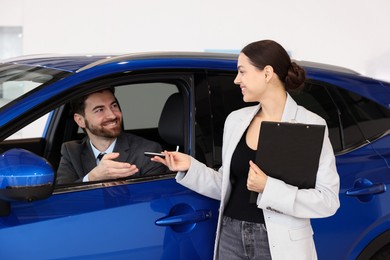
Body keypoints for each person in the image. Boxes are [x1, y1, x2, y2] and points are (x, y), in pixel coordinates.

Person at [152, 40, 340, 260]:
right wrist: (190, 167)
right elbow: (226, 185)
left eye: (242, 72)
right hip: (231, 236)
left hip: (278, 242)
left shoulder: (310, 124)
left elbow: (327, 201)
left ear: (267, 73)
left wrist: (268, 188)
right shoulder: (236, 120)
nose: (236, 80)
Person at [56, 87, 166, 184]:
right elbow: (60, 200)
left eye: (114, 106)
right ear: (80, 120)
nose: (112, 115)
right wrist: (92, 178)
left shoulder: (147, 151)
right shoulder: (71, 151)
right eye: (99, 110)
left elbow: (152, 200)